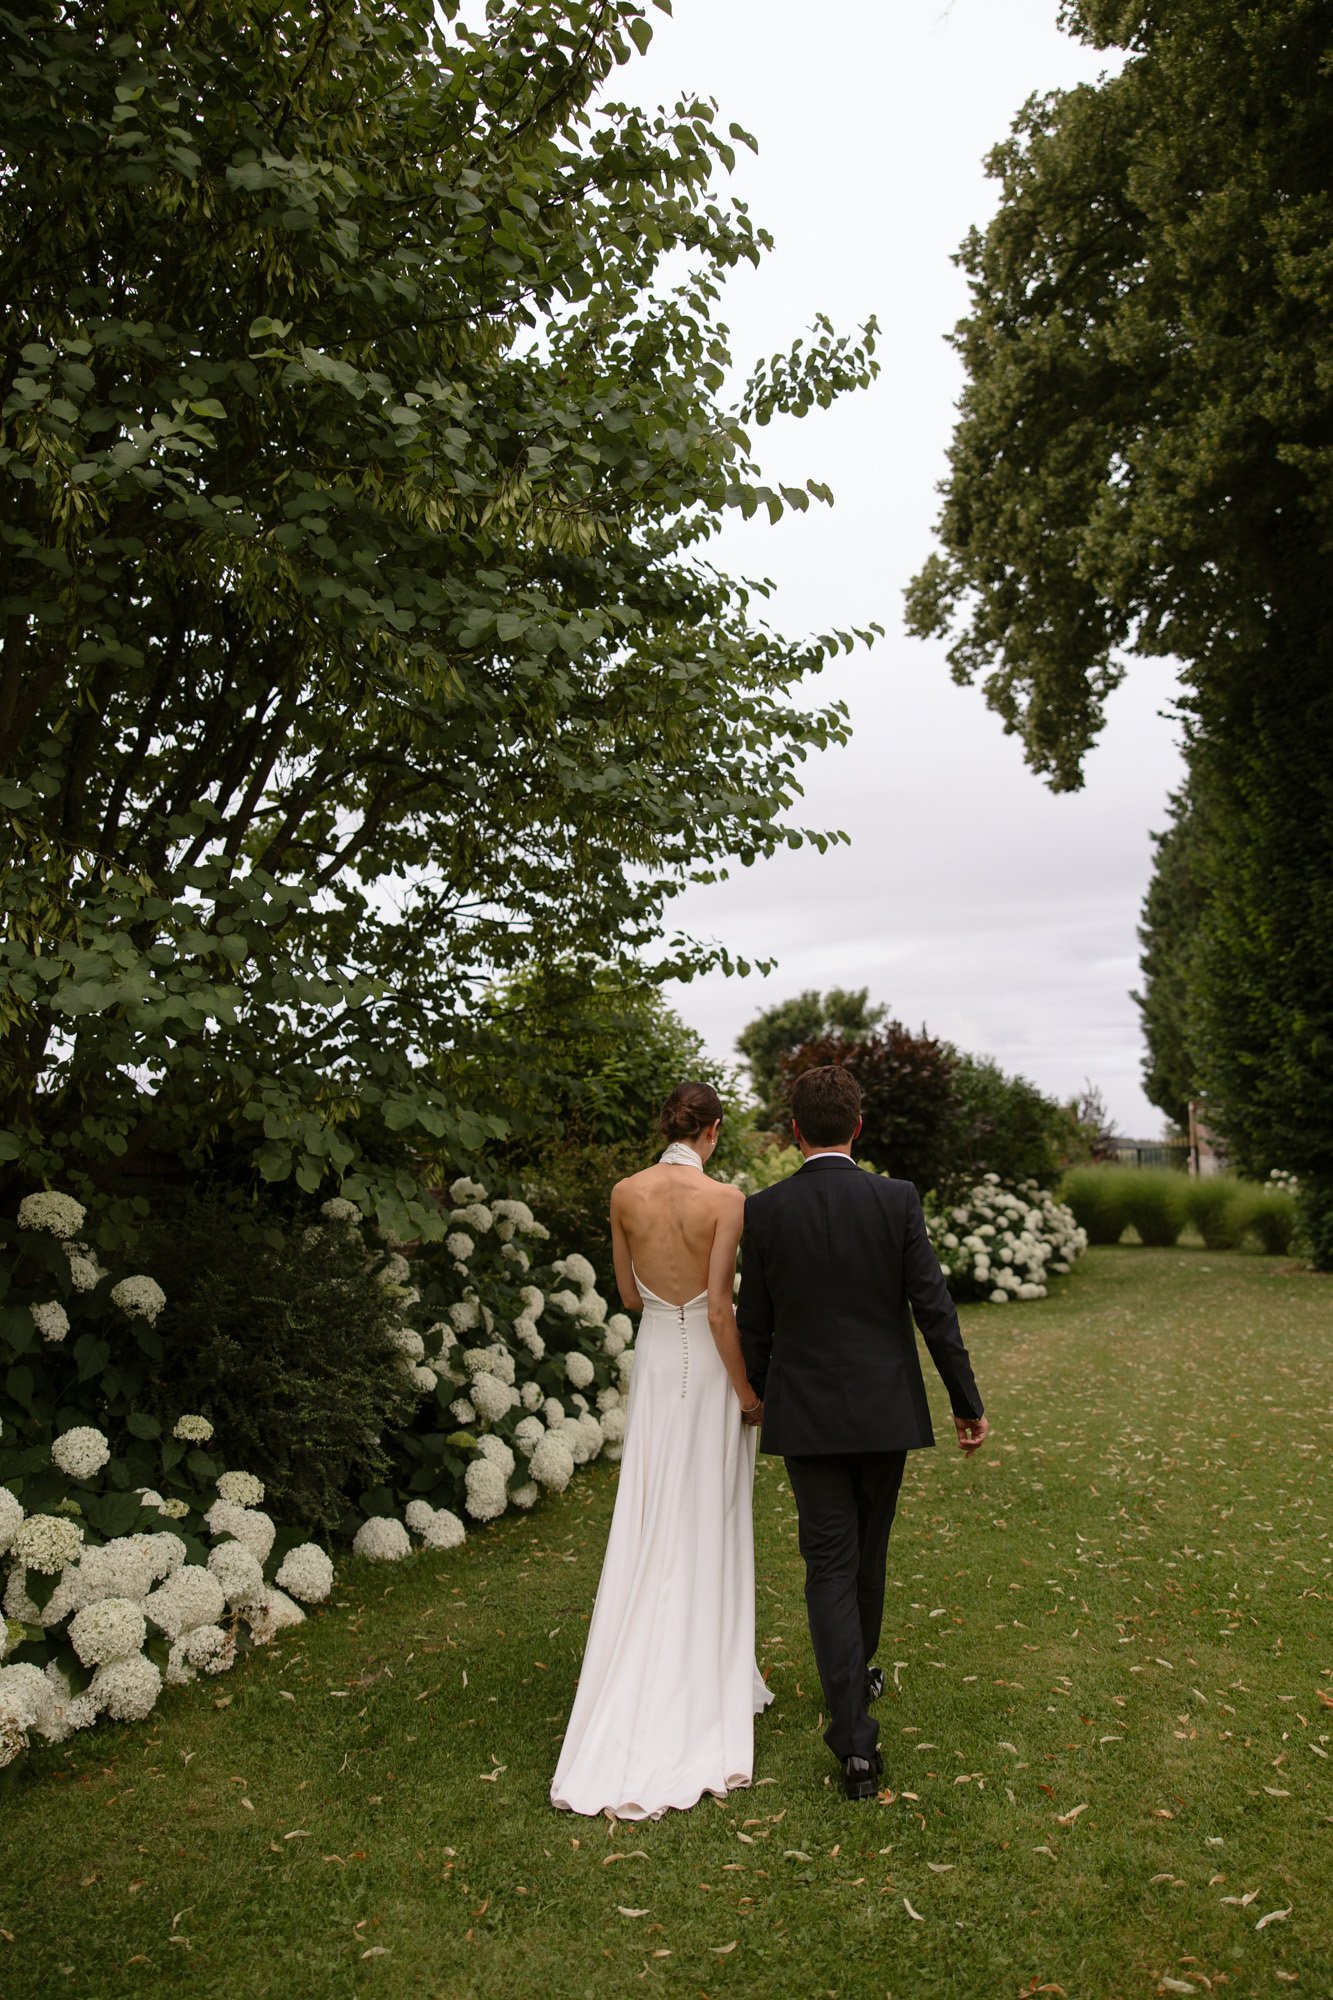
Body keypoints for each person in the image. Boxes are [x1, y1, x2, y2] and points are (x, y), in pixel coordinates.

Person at [736, 1063, 989, 1800]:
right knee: (865, 1556)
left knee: (828, 1565)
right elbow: (932, 1308)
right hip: (883, 1412)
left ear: (792, 1132)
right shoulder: (894, 1200)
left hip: (804, 1413)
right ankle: (853, 1700)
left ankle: (852, 1730)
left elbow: (756, 1324)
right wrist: (965, 1401)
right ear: (857, 1125)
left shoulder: (765, 1209)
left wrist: (749, 1399)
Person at [549, 1080, 772, 1819]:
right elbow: (718, 1308)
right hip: (708, 1367)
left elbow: (629, 1296)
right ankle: (706, 1673)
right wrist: (745, 1394)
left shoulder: (624, 1192)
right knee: (709, 1509)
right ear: (710, 1131)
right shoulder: (727, 1200)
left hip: (654, 1356)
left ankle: (647, 1660)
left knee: (653, 1509)